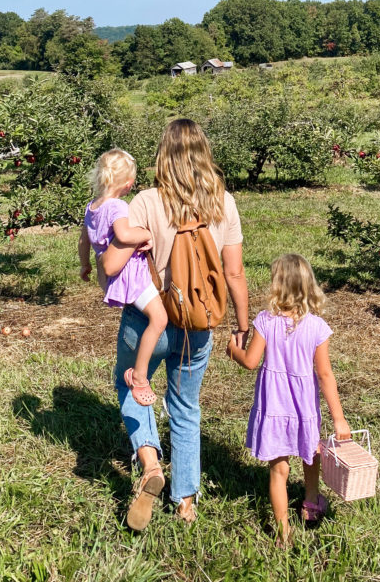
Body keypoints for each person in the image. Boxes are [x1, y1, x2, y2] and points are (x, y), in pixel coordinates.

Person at [116, 119, 250, 530]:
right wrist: (241, 327)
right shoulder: (223, 202)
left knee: (130, 385)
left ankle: (151, 462)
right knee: (186, 407)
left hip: (148, 320)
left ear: (163, 157)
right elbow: (234, 273)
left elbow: (118, 261)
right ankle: (186, 500)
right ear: (204, 154)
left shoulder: (146, 201)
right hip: (199, 324)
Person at [227, 253, 351, 546]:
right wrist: (338, 418)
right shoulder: (317, 327)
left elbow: (250, 361)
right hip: (303, 407)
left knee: (279, 469)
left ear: (277, 285)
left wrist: (233, 350)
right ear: (309, 286)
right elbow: (325, 375)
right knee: (311, 453)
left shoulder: (266, 321)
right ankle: (310, 502)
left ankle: (283, 533)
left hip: (274, 406)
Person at [79, 149, 168, 406]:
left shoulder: (92, 206)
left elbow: (83, 240)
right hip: (131, 277)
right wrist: (146, 233)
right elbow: (125, 235)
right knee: (159, 319)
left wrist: (84, 265)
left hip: (109, 277)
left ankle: (137, 368)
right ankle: (139, 375)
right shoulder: (118, 206)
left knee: (147, 317)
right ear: (128, 183)